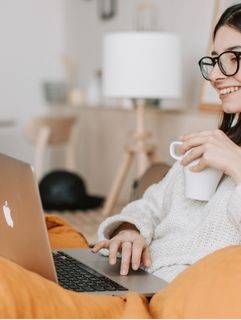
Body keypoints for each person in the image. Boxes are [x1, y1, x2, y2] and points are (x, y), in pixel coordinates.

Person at [93, 3, 241, 283]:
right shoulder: (215, 143)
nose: (215, 75)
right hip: (136, 276)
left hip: (179, 295)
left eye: (234, 57)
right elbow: (150, 203)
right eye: (215, 60)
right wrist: (130, 230)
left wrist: (237, 164)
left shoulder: (228, 154)